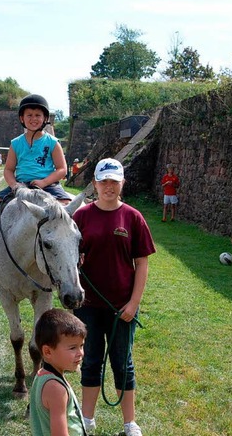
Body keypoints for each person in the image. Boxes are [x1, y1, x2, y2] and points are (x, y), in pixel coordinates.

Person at [72, 158, 155, 436]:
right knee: (91, 359)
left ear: (122, 184)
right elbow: (67, 253)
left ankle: (130, 423)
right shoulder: (81, 217)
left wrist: (133, 303)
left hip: (122, 307)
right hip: (89, 306)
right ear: (94, 184)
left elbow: (141, 263)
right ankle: (87, 418)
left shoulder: (132, 217)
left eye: (114, 182)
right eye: (104, 181)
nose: (109, 187)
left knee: (123, 363)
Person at [0, 94, 70, 265]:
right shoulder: (16, 143)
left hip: (48, 185)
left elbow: (62, 169)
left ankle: (76, 252)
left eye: (37, 115)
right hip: (21, 185)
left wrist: (44, 182)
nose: (33, 119)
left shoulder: (53, 142)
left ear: (45, 118)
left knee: (69, 210)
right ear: (22, 118)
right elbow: (9, 169)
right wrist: (14, 185)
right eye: (29, 115)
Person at [30, 308, 87, 436]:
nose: (80, 353)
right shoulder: (55, 388)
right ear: (48, 352)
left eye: (81, 346)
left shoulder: (42, 375)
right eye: (73, 348)